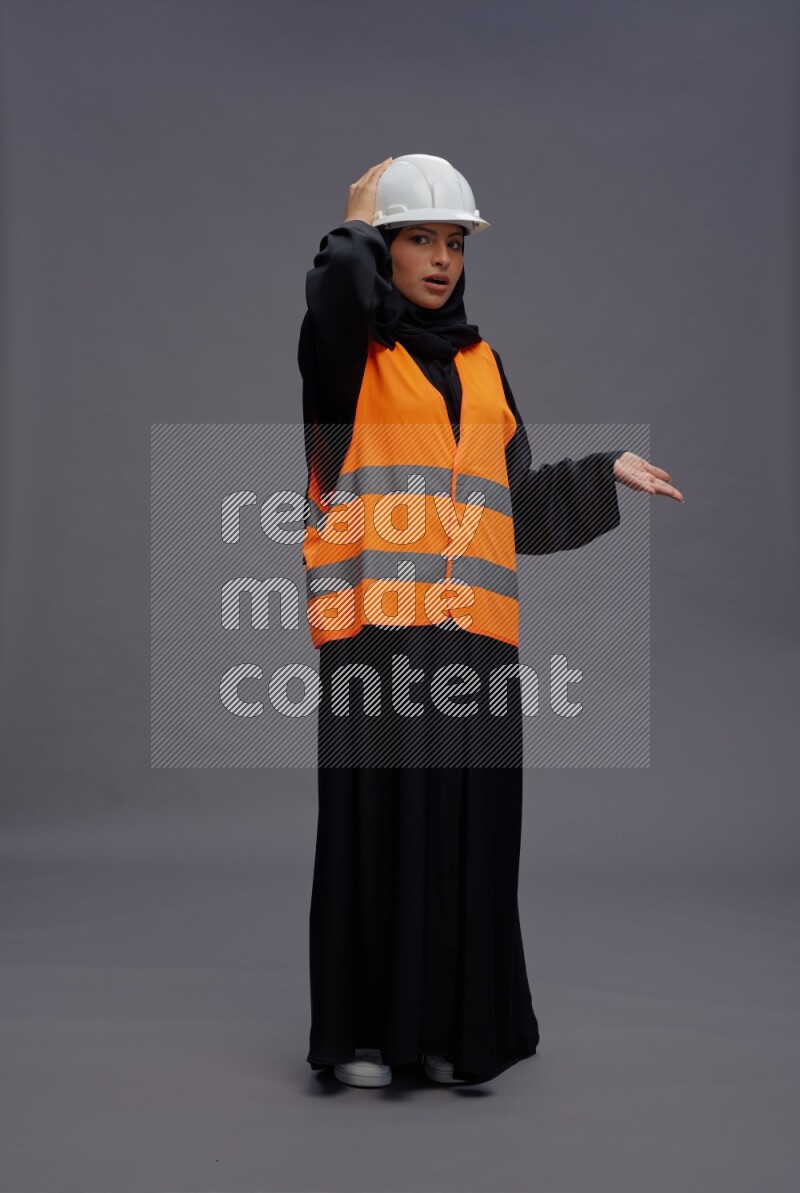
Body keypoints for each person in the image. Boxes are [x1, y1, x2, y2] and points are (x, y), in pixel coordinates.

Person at [298, 155, 683, 1089]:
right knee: (380, 828)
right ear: (383, 250)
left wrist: (602, 471)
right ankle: (361, 1038)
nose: (439, 259)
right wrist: (351, 222)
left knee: (468, 835)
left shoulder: (482, 364)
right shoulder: (346, 361)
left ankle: (441, 1034)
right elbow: (338, 297)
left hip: (477, 646)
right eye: (418, 238)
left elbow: (517, 506)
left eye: (453, 242)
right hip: (378, 639)